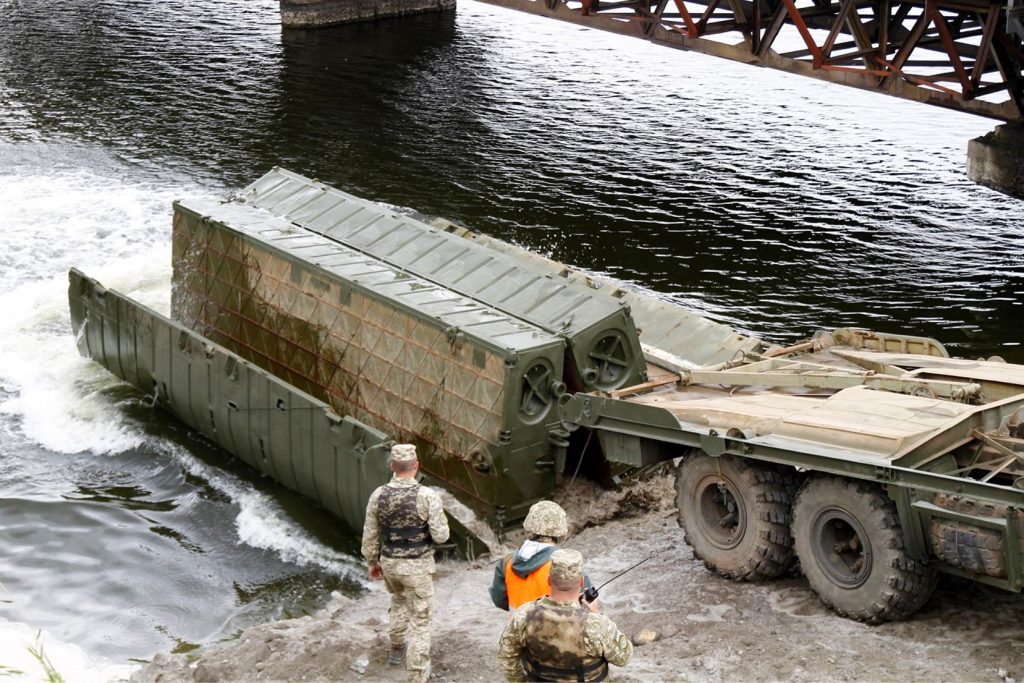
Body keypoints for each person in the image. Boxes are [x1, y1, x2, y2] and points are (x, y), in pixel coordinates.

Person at [361, 444, 450, 683]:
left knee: (398, 601)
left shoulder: (378, 495)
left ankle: (396, 649)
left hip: (390, 563)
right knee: (420, 621)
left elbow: (370, 533)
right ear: (416, 466)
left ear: (392, 467)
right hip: (417, 566)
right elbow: (442, 536)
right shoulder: (427, 496)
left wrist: (372, 562)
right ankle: (417, 676)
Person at [497, 548, 633, 682]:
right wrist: (597, 614)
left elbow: (506, 657)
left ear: (549, 580)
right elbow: (624, 657)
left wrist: (522, 681)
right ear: (581, 582)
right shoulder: (596, 625)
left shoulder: (524, 615)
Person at [491, 500, 596, 614]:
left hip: (516, 630)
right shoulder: (567, 564)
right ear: (560, 530)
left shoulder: (506, 562)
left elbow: (499, 600)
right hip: (556, 630)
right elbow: (590, 608)